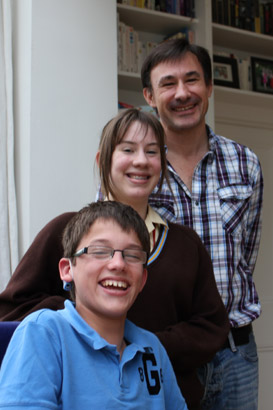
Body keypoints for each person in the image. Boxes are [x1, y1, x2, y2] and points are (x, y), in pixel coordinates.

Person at [0, 108, 229, 410]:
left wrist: (138, 340)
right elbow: (12, 308)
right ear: (103, 160)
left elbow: (211, 326)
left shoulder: (185, 244)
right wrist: (89, 317)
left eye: (151, 151)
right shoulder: (67, 231)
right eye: (127, 149)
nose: (140, 161)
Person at [141, 38, 263, 409]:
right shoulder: (134, 166)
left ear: (209, 87)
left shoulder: (246, 163)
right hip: (163, 351)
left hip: (235, 353)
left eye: (192, 80)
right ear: (149, 95)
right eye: (168, 83)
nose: (183, 93)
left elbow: (246, 255)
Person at [0, 201, 187, 409]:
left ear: (142, 279)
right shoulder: (43, 332)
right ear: (67, 270)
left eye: (133, 255)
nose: (118, 264)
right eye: (99, 251)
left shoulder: (152, 348)